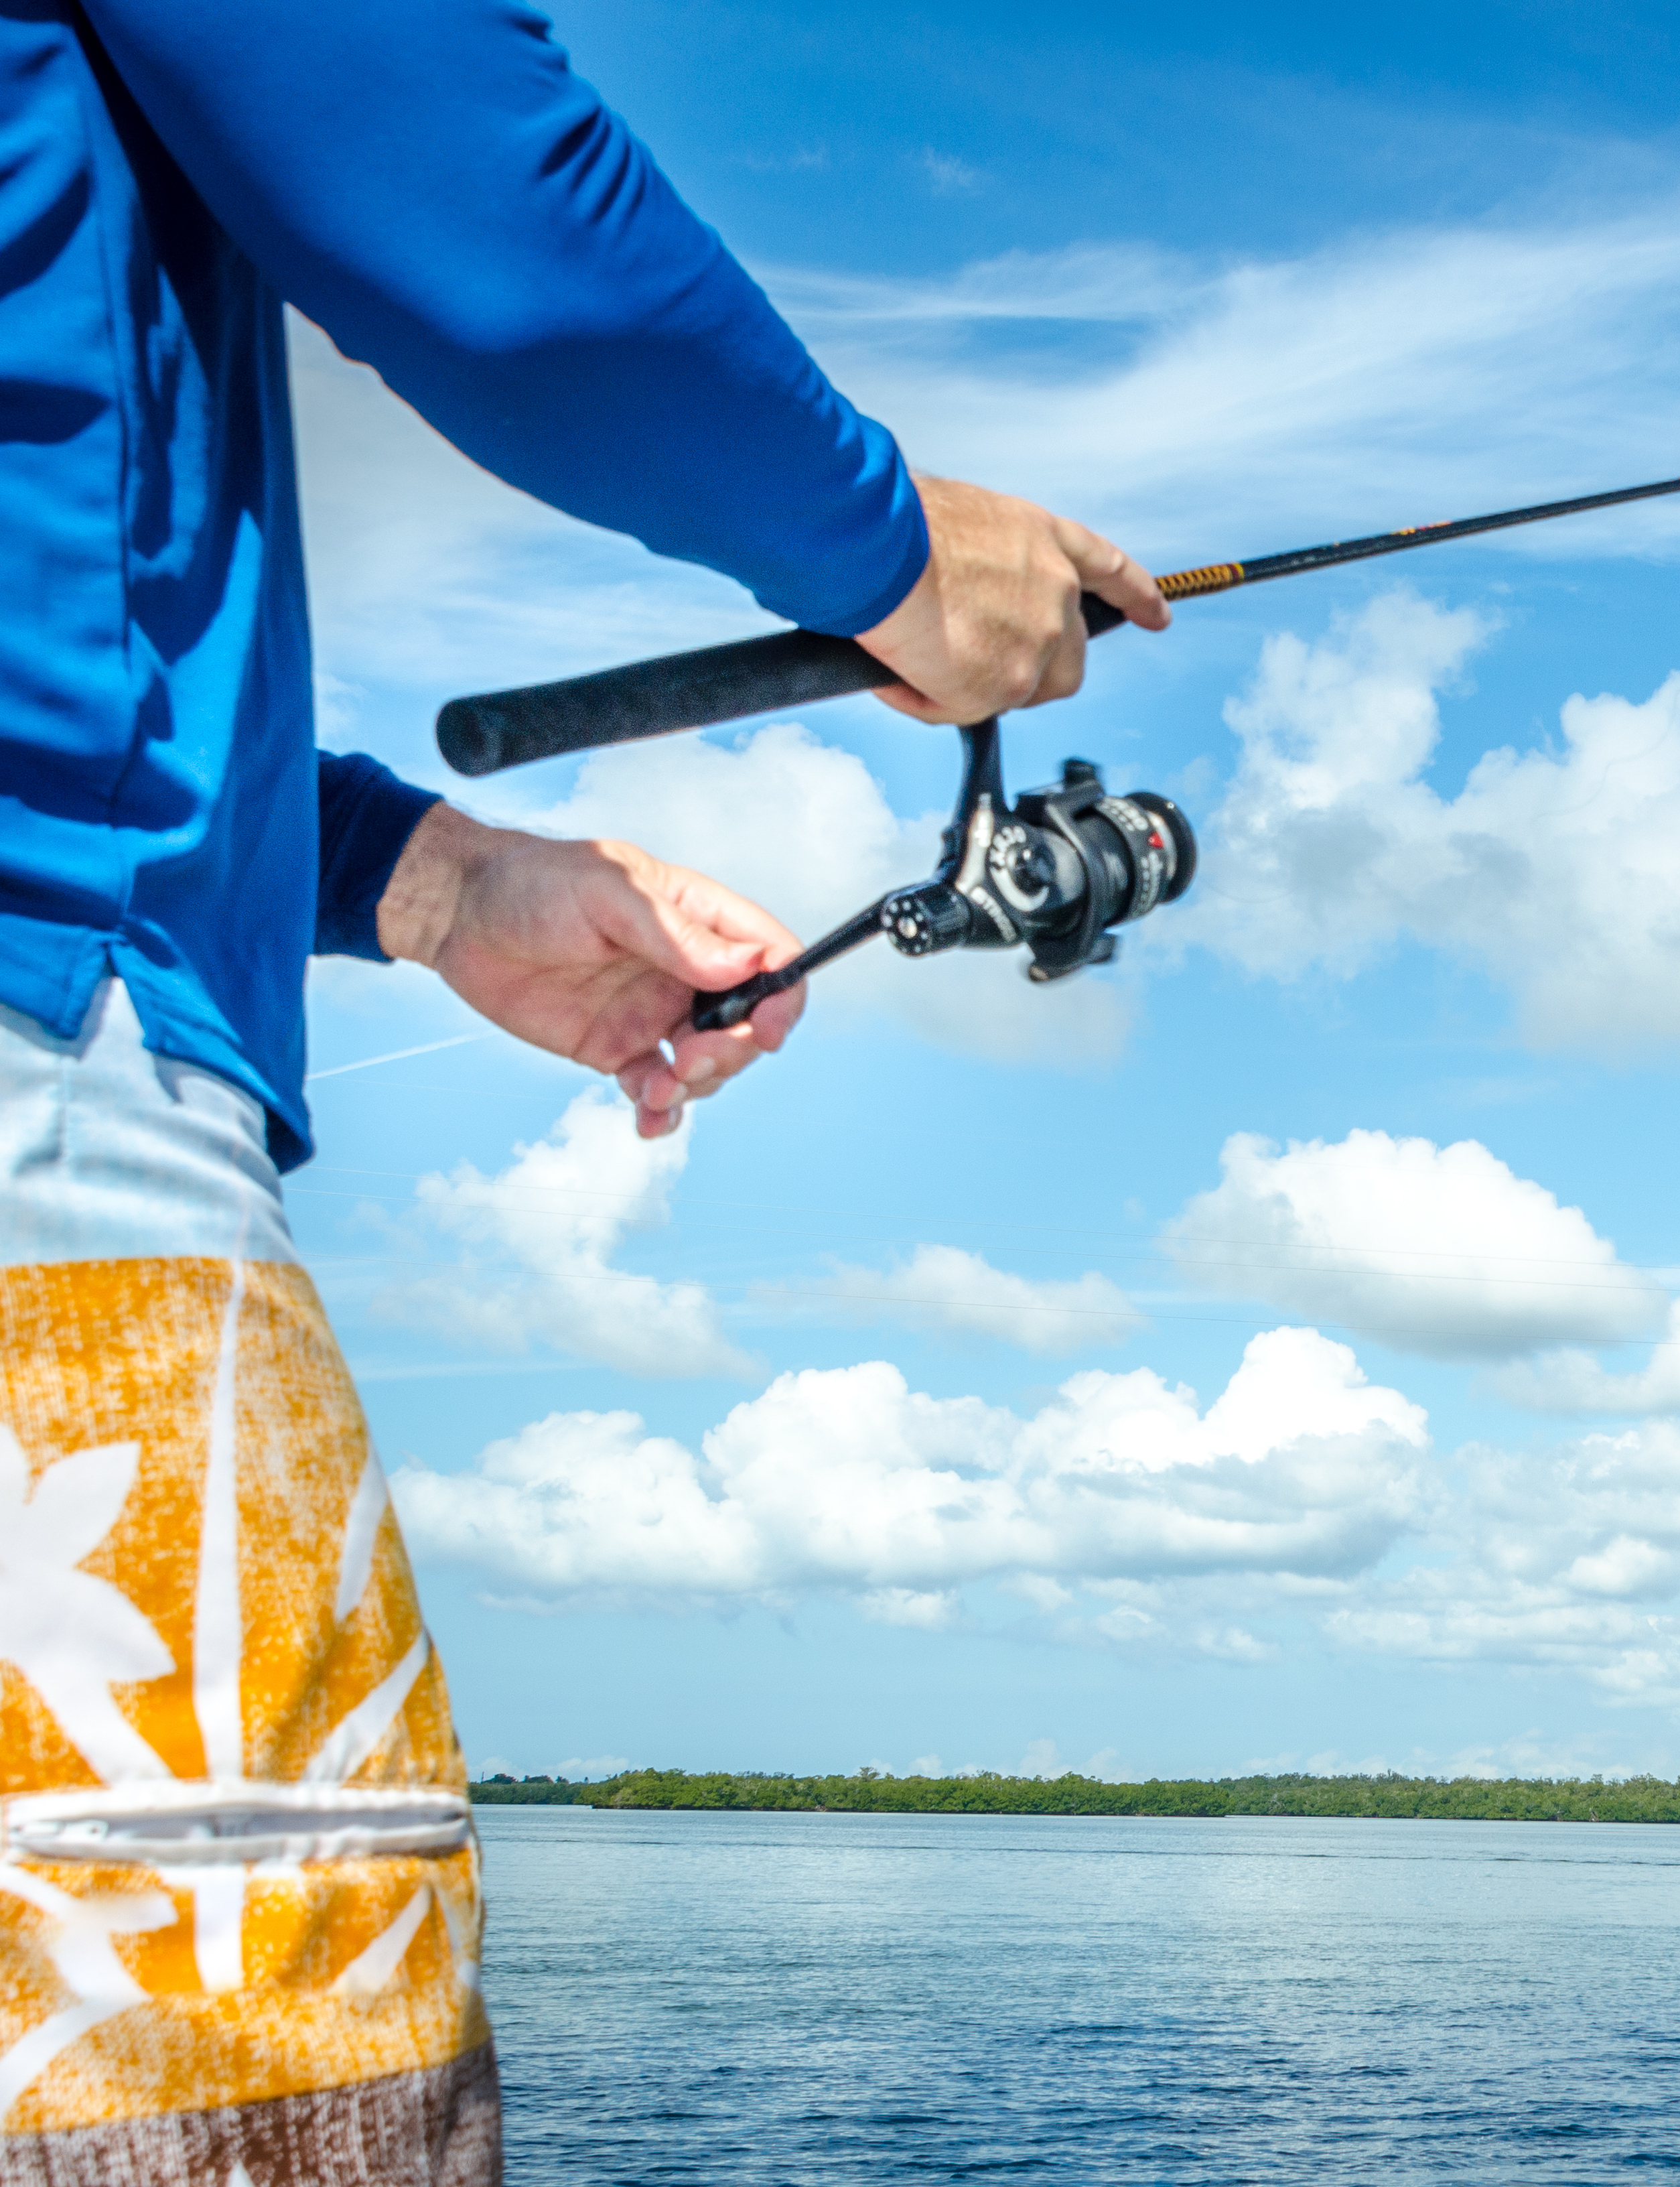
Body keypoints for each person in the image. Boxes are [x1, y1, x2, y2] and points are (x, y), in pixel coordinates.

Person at [0, 5, 1164, 2178]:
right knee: (250, 2076)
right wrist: (892, 542)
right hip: (51, 1075)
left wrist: (431, 883)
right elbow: (468, 209)